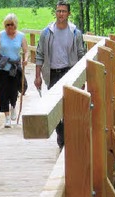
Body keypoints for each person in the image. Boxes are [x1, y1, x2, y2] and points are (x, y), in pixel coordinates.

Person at [34, 1, 86, 148]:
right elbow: (39, 55)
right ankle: (61, 139)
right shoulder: (47, 32)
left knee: (71, 107)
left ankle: (71, 139)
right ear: (55, 13)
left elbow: (81, 55)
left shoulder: (75, 32)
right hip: (53, 73)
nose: (60, 14)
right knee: (56, 109)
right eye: (58, 11)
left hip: (70, 71)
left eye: (63, 11)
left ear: (69, 13)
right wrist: (37, 76)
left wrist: (83, 77)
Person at [0, 13, 28, 128]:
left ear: (15, 24)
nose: (9, 27)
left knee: (13, 91)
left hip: (14, 67)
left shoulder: (21, 36)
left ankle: (13, 106)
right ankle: (7, 118)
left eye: (11, 24)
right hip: (2, 67)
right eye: (7, 25)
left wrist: (26, 60)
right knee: (3, 92)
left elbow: (26, 51)